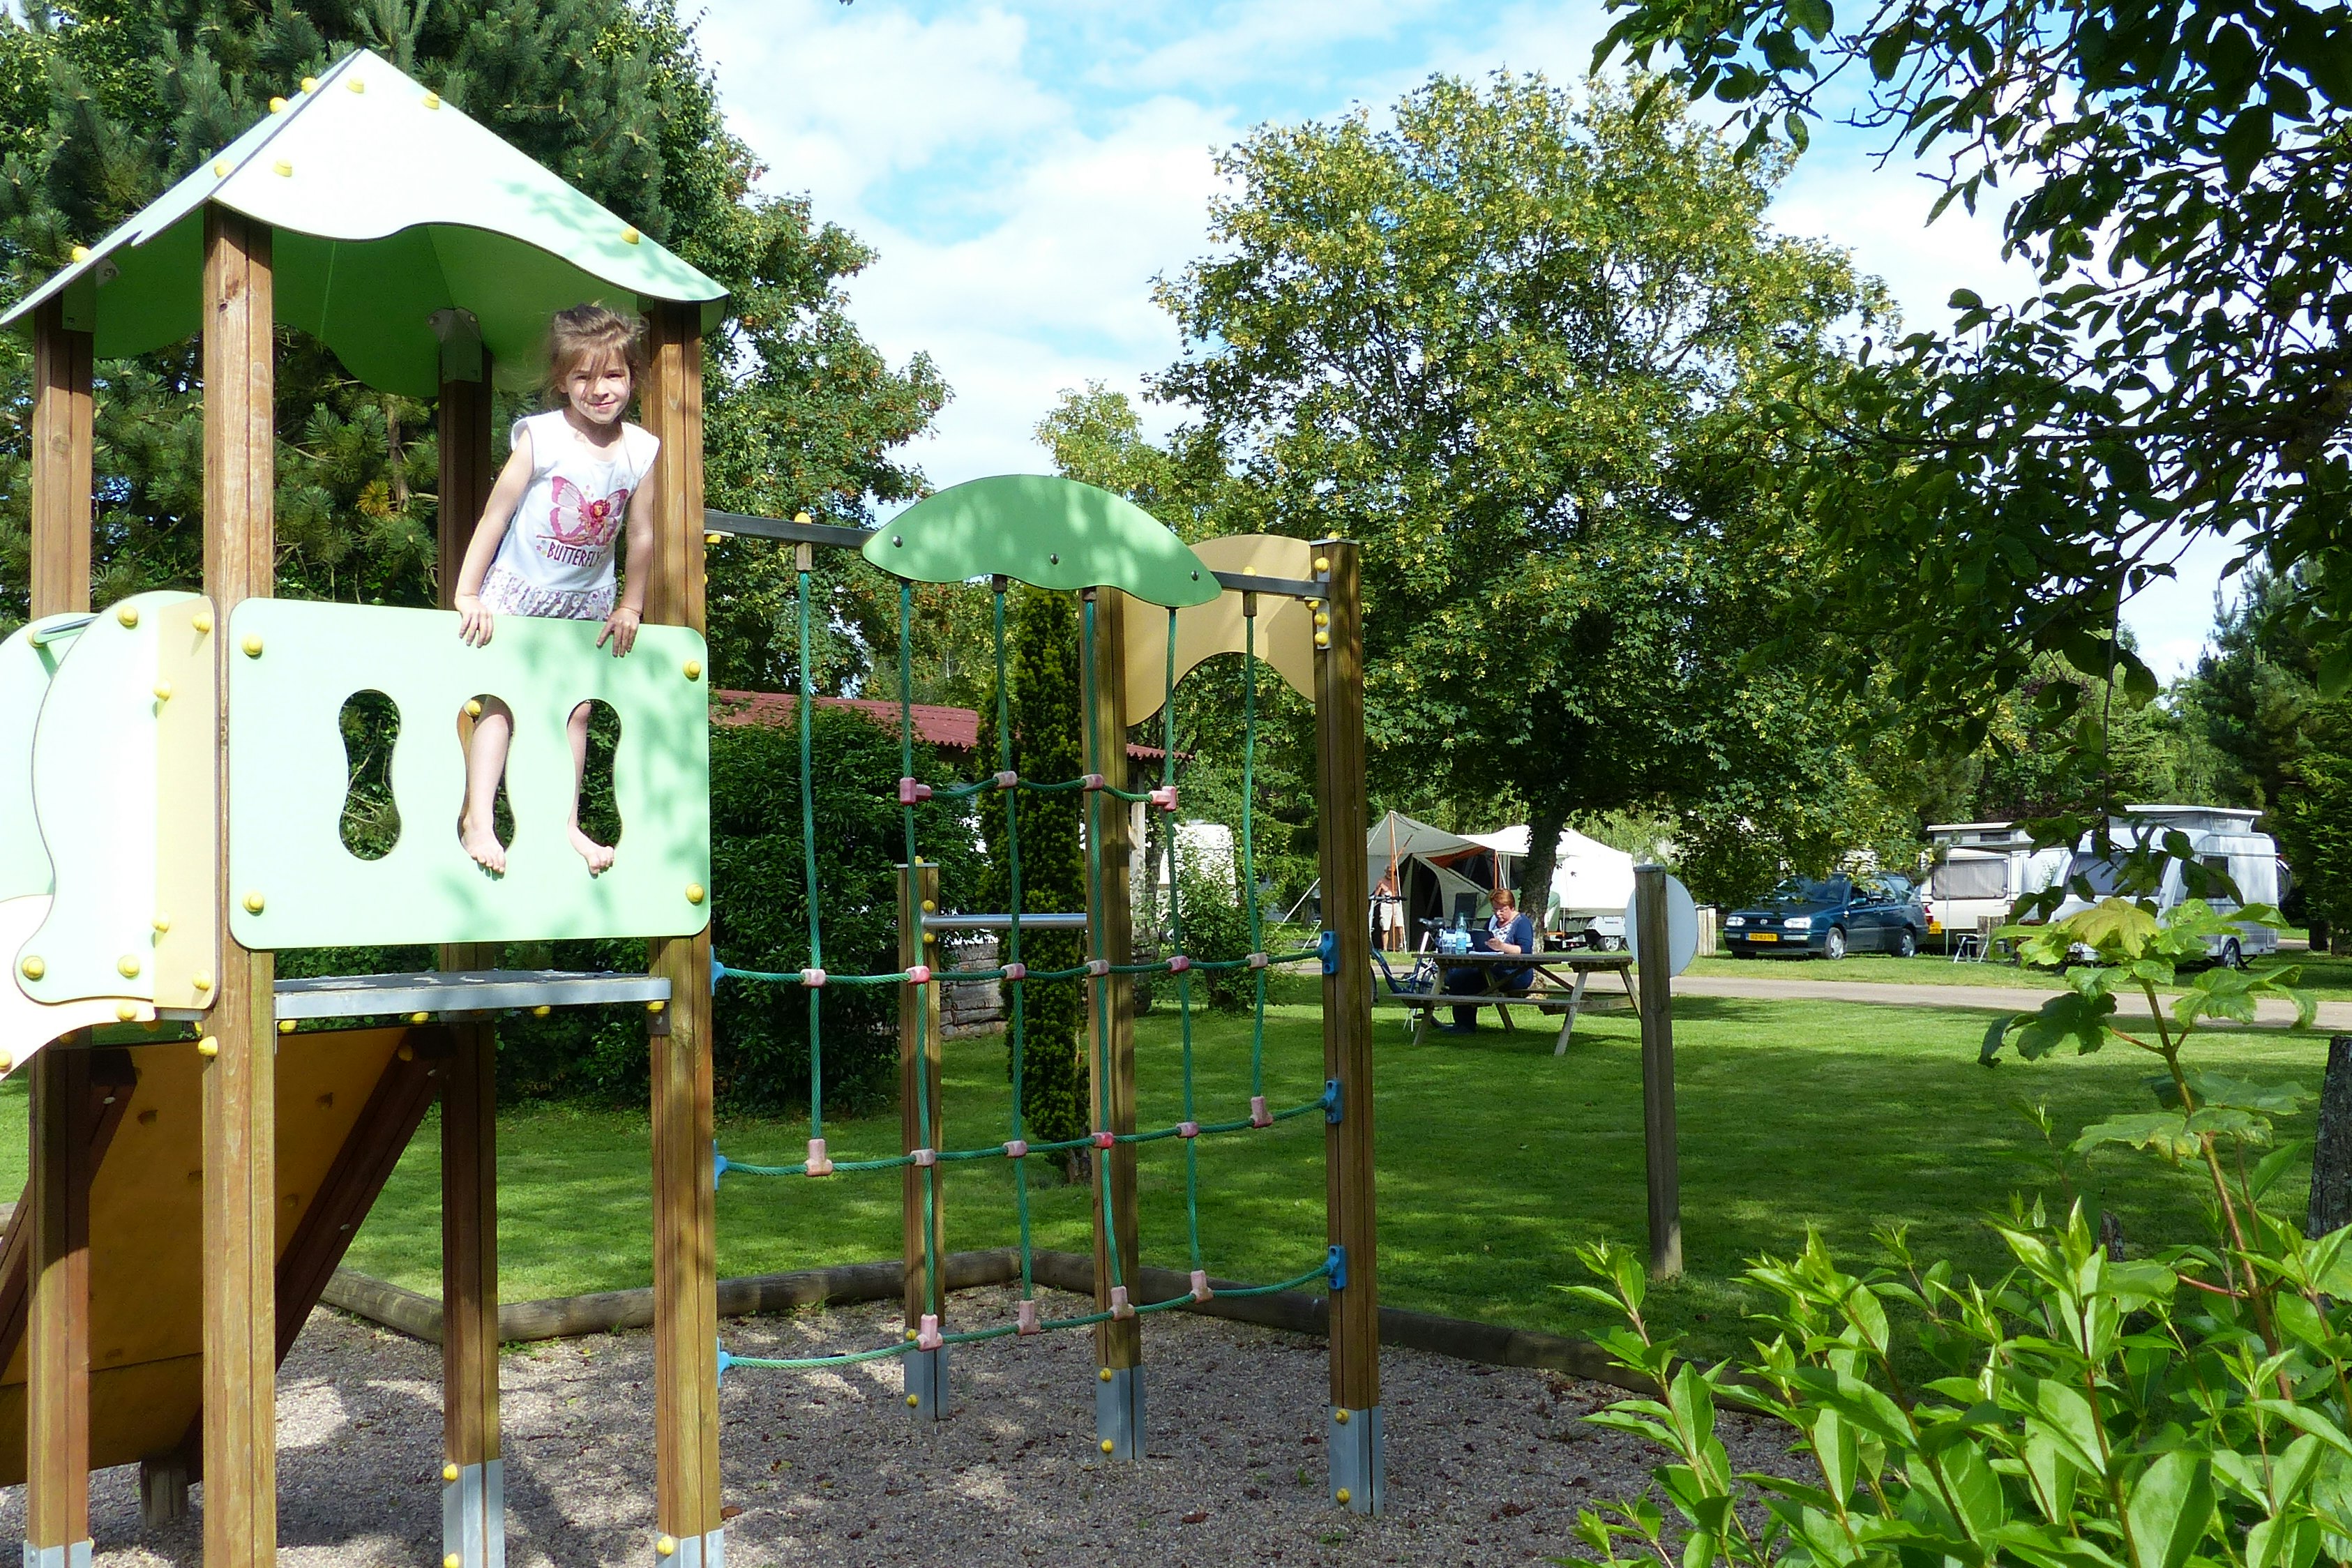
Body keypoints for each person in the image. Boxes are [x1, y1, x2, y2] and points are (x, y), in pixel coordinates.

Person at [449, 303, 659, 875]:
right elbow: (496, 515)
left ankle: (564, 823)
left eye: (612, 375)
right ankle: (480, 819)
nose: (599, 389)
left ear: (632, 378)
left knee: (579, 711)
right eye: (582, 377)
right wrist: (470, 593)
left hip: (587, 602)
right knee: (503, 704)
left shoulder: (641, 450)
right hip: (520, 591)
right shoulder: (542, 437)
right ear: (562, 381)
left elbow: (640, 535)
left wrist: (631, 605)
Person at [1444, 885, 1535, 1032]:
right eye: (1495, 910)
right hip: (1491, 967)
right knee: (1459, 976)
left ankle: (1466, 1025)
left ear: (1511, 907)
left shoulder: (1521, 922)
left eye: (1501, 910)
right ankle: (1461, 1024)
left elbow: (1524, 950)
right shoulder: (1492, 921)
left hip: (1514, 973)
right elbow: (1484, 938)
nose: (1498, 914)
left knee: (1467, 978)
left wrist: (1502, 947)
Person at [1373, 868, 1405, 951]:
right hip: (1386, 905)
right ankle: (1385, 948)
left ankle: (1401, 944)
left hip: (1396, 903)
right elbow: (1376, 894)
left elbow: (1397, 890)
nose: (1390, 874)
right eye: (1388, 872)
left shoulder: (1396, 880)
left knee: (1400, 924)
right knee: (1385, 927)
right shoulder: (1382, 881)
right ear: (1386, 872)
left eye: (1391, 872)